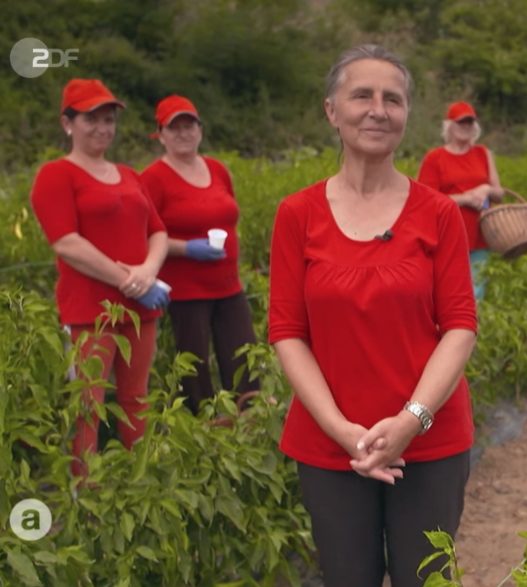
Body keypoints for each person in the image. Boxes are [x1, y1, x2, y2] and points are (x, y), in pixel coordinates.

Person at [268, 45, 477, 586]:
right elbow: (288, 333)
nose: (378, 109)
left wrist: (412, 421)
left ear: (407, 116)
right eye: (362, 95)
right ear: (332, 110)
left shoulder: (438, 214)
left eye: (394, 99)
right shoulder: (298, 214)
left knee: (422, 579)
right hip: (330, 445)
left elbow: (459, 327)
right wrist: (340, 431)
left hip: (429, 443)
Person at [30, 79, 169, 478]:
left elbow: (157, 231)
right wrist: (129, 279)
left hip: (140, 309)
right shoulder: (57, 175)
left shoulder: (128, 174)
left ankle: (138, 486)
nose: (103, 128)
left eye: (109, 120)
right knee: (87, 404)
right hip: (90, 311)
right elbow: (67, 243)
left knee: (135, 399)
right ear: (67, 123)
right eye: (92, 119)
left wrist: (147, 272)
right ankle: (84, 496)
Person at [140, 95, 260, 414]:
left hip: (228, 285)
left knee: (244, 357)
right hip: (186, 291)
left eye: (189, 125)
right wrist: (186, 248)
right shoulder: (153, 178)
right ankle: (201, 432)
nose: (183, 133)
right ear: (161, 134)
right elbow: (144, 234)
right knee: (194, 367)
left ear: (200, 130)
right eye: (174, 127)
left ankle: (251, 424)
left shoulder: (217, 169)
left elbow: (229, 216)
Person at [417, 100, 504, 300]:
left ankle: (473, 331)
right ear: (449, 126)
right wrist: (464, 199)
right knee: (446, 294)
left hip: (480, 236)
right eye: (461, 122)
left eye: (469, 123)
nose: (466, 127)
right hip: (446, 235)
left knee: (475, 297)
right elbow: (425, 201)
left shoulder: (483, 153)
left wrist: (486, 189)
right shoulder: (435, 158)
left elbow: (499, 193)